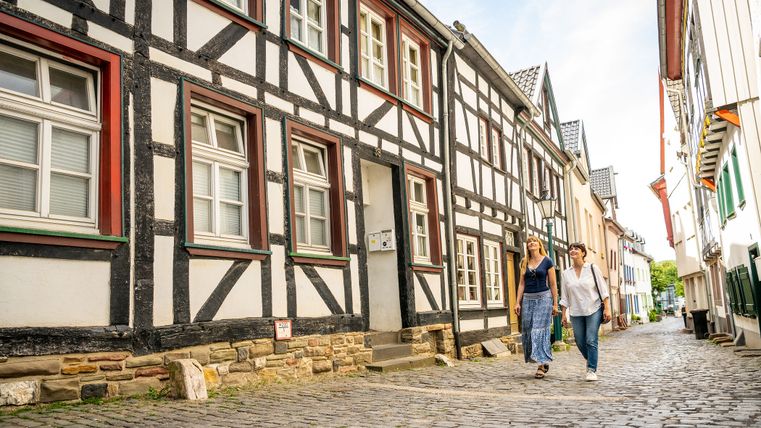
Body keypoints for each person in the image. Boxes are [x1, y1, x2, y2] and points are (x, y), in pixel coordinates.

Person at [560, 242, 611, 381]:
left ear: (583, 253)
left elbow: (603, 290)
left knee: (591, 339)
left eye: (576, 248)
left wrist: (606, 308)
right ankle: (591, 359)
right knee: (580, 341)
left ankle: (591, 369)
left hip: (593, 308)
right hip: (576, 311)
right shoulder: (566, 273)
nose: (573, 250)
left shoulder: (592, 268)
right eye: (571, 249)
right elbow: (564, 296)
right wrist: (563, 314)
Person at [514, 235, 558, 379]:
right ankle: (542, 360)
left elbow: (552, 284)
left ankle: (541, 364)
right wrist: (517, 302)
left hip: (544, 299)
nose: (532, 243)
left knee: (538, 330)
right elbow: (521, 284)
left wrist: (555, 303)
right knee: (528, 330)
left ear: (539, 245)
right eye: (529, 242)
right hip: (527, 299)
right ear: (527, 246)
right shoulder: (524, 262)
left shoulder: (547, 261)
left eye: (534, 241)